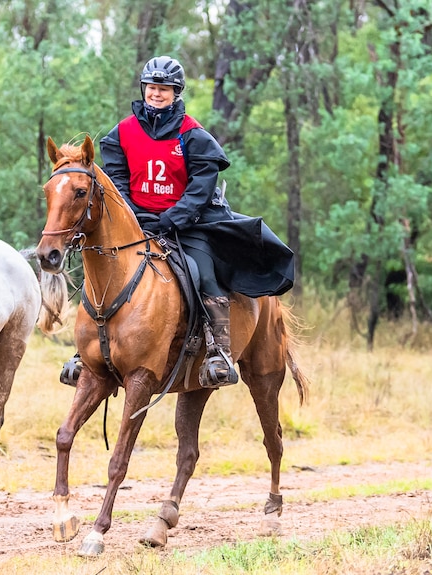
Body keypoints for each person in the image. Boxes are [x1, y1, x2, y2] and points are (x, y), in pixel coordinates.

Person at [95, 55, 294, 388]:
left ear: (176, 92)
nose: (156, 94)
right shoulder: (123, 132)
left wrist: (171, 218)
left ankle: (219, 351)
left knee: (201, 271)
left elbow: (202, 187)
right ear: (144, 89)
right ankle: (86, 350)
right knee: (102, 266)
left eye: (164, 89)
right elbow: (116, 179)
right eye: (152, 88)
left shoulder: (194, 135)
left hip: (185, 226)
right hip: (137, 224)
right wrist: (133, 215)